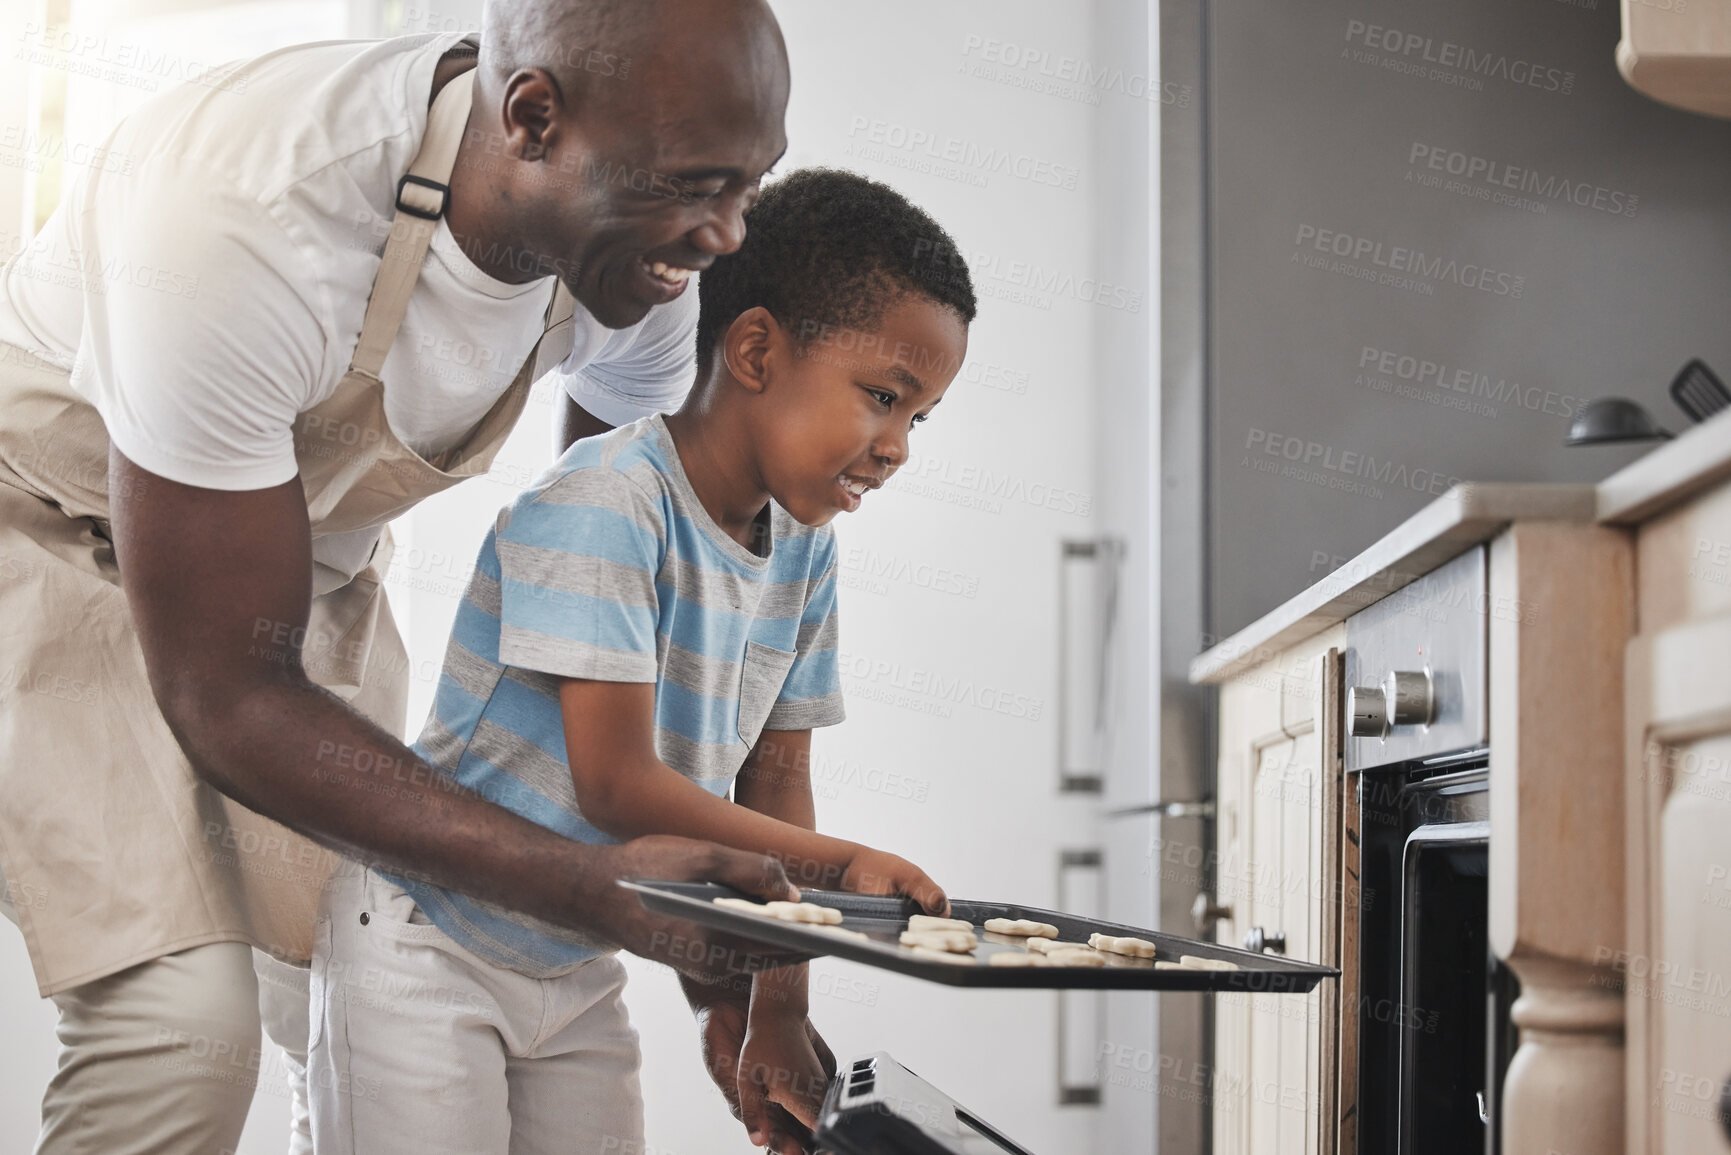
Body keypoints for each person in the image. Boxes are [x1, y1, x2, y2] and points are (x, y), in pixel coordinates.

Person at [0, 2, 817, 1152]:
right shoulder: (247, 218)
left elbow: (620, 592)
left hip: (293, 588)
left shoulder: (638, 261)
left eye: (751, 184)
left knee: (358, 986)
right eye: (695, 185)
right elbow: (226, 696)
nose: (727, 235)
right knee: (179, 1032)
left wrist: (711, 953)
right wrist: (590, 890)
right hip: (48, 539)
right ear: (534, 119)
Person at [307, 168, 977, 1155]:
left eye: (917, 418)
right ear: (754, 349)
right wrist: (844, 869)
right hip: (428, 942)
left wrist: (777, 1006)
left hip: (575, 960)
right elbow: (617, 785)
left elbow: (778, 787)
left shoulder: (804, 552)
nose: (898, 448)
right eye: (883, 397)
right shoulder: (608, 501)